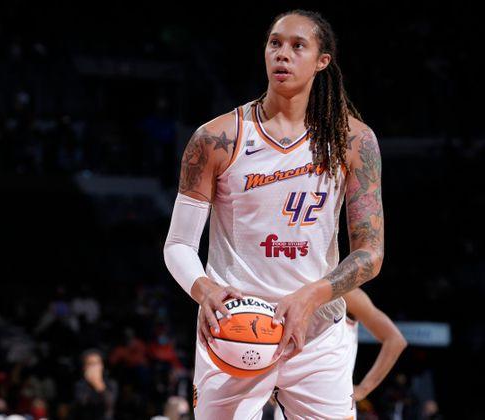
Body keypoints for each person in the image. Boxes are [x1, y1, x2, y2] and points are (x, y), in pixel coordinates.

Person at [164, 9, 385, 419]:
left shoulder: (354, 141)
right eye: (275, 43)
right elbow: (178, 244)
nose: (282, 54)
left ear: (323, 60)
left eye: (298, 46)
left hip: (317, 335)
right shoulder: (216, 139)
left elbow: (370, 254)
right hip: (233, 329)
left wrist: (311, 296)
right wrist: (204, 289)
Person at [272, 288, 407, 419]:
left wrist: (363, 389)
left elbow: (395, 340)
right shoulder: (282, 285)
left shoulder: (347, 292)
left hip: (330, 401)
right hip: (285, 401)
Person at [71, 349, 118, 420]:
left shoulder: (111, 383)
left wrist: (98, 384)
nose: (94, 367)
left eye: (96, 363)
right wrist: (91, 382)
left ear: (102, 366)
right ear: (84, 367)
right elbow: (82, 403)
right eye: (90, 364)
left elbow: (109, 404)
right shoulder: (79, 385)